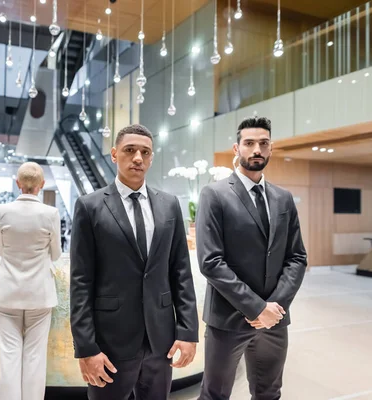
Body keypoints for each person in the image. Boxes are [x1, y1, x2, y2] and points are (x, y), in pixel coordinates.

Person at [70, 124, 199, 400]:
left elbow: (181, 272)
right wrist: (86, 348)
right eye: (130, 150)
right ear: (115, 154)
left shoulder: (169, 205)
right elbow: (81, 282)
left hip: (160, 342)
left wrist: (188, 332)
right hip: (110, 344)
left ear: (151, 158)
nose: (138, 158)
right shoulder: (89, 206)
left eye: (145, 152)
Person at [196, 116, 307, 400]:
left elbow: (296, 257)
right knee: (215, 394)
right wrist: (256, 307)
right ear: (237, 148)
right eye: (249, 143)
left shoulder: (283, 199)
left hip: (275, 320)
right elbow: (211, 261)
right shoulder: (214, 195)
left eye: (263, 143)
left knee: (269, 393)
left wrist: (275, 307)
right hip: (228, 318)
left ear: (271, 149)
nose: (256, 149)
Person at [0, 162, 61, 400]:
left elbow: (0, 249)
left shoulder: (3, 211)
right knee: (35, 356)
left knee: (8, 356)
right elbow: (56, 254)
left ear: (18, 183)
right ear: (41, 186)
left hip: (7, 292)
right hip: (40, 294)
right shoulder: (50, 213)